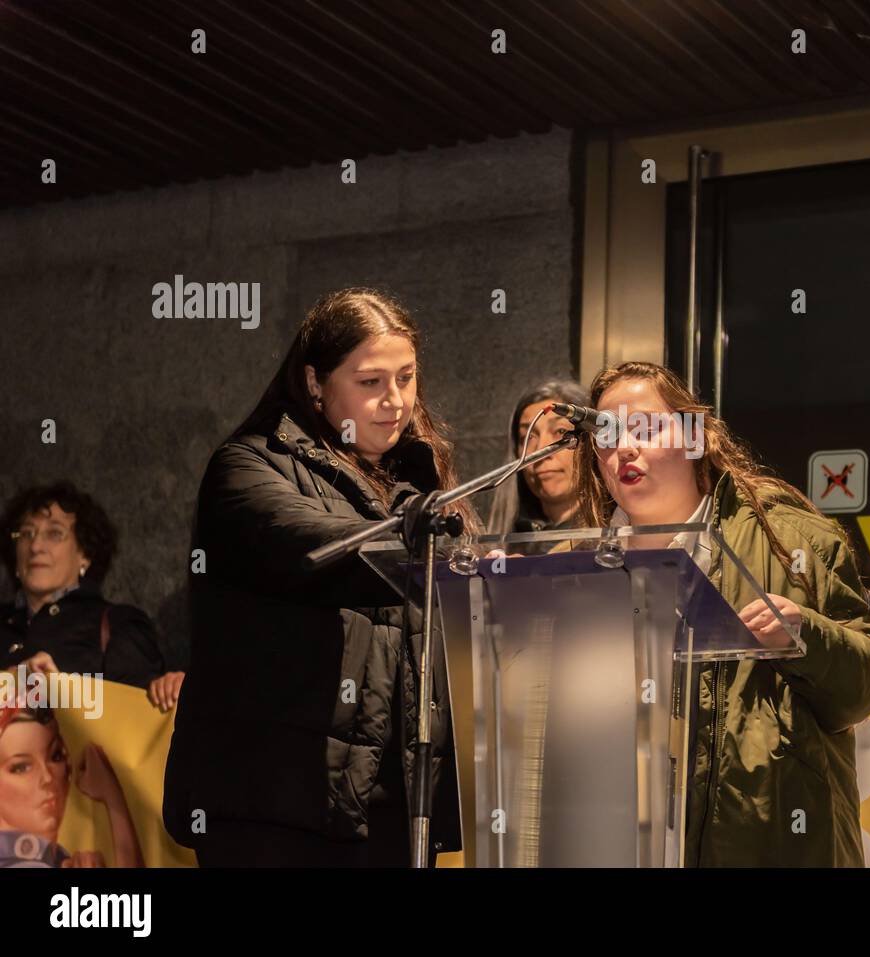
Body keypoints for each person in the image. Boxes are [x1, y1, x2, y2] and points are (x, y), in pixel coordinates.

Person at [162, 287, 474, 867]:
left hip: (388, 810)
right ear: (314, 383)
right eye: (370, 381)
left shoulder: (417, 485)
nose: (396, 400)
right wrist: (439, 552)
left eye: (406, 377)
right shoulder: (247, 466)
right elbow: (314, 546)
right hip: (274, 808)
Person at [569, 361, 870, 867]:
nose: (623, 449)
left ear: (695, 436)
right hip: (622, 837)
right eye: (607, 435)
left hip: (760, 841)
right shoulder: (580, 563)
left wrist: (805, 633)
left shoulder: (784, 538)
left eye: (643, 428)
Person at [0, 483, 178, 709]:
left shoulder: (118, 624)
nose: (35, 546)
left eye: (54, 533)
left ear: (85, 554)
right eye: (26, 533)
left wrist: (61, 693)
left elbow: (135, 716)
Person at [0, 701, 142, 868]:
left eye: (56, 756)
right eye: (21, 767)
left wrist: (112, 796)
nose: (47, 777)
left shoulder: (55, 856)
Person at [486, 379, 587, 554]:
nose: (541, 450)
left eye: (560, 431)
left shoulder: (614, 538)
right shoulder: (507, 546)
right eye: (528, 437)